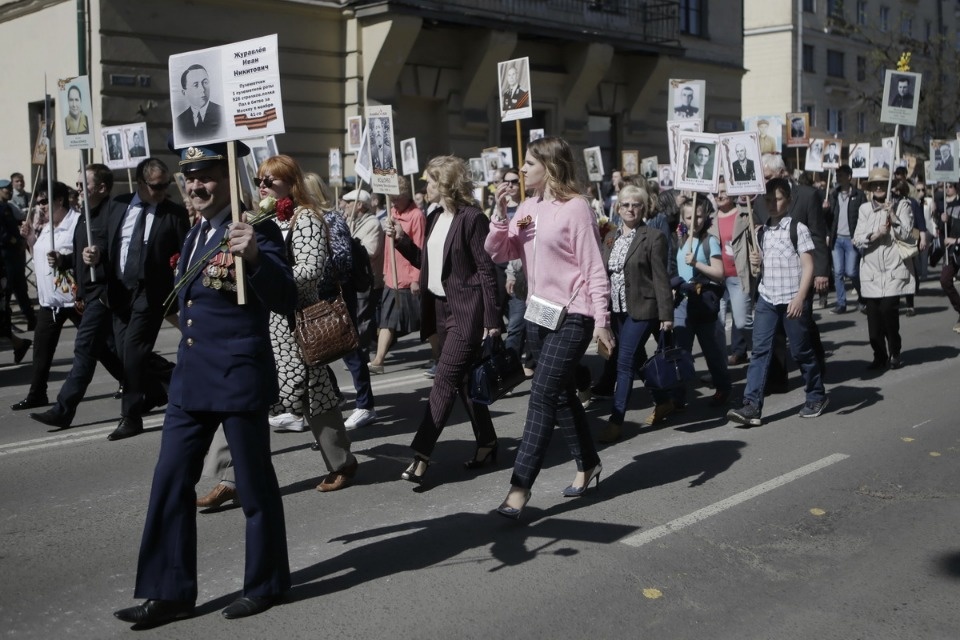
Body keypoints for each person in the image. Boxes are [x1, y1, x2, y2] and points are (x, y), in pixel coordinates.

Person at [112, 141, 295, 627]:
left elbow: (285, 296)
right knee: (170, 482)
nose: (196, 185)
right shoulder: (195, 234)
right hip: (191, 381)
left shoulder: (254, 228)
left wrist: (255, 257)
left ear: (228, 179)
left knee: (254, 489)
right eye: (190, 178)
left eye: (207, 175)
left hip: (238, 376)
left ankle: (266, 583)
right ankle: (167, 591)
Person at [485, 136, 614, 518]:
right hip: (537, 314)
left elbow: (593, 268)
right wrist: (499, 213)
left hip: (573, 315)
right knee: (559, 395)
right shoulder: (527, 207)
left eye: (529, 164)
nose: (521, 170)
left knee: (541, 395)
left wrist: (601, 321)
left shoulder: (576, 209)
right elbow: (501, 250)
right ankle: (588, 463)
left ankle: (519, 488)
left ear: (551, 167)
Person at [389, 156, 500, 482]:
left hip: (466, 314)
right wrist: (401, 241)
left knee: (443, 380)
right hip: (438, 309)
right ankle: (488, 441)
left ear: (447, 184)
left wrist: (492, 320)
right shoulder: (437, 215)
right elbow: (428, 262)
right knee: (464, 381)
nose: (426, 187)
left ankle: (421, 455)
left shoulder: (472, 218)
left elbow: (486, 271)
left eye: (432, 181)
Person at [258, 158, 358, 491]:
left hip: (299, 320)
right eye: (259, 180)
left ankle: (235, 474)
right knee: (309, 394)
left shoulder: (307, 219)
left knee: (295, 395)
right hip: (268, 321)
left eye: (269, 181)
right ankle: (231, 475)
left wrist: (268, 277)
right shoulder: (262, 219)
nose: (262, 186)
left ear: (289, 182)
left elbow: (310, 272)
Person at [98, 158, 190, 441]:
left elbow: (184, 257)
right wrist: (93, 255)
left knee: (135, 351)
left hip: (151, 294)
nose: (162, 190)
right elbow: (106, 241)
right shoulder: (118, 205)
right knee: (123, 352)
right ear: (140, 183)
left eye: (165, 185)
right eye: (156, 186)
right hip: (119, 291)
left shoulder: (173, 213)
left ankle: (131, 416)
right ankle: (158, 388)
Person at [28, 165, 125, 428]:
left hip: (103, 294)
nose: (78, 189)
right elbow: (81, 257)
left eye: (84, 184)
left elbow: (116, 250)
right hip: (86, 293)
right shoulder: (85, 217)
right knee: (111, 349)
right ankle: (153, 386)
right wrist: (64, 259)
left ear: (102, 188)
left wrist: (99, 254)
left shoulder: (112, 213)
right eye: (78, 184)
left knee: (84, 350)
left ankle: (63, 409)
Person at [727, 178, 827, 427]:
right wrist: (756, 261)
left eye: (778, 199)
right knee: (760, 352)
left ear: (789, 201)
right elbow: (762, 266)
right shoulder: (761, 232)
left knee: (801, 351)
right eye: (768, 199)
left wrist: (800, 298)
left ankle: (816, 395)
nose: (772, 204)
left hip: (792, 300)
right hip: (768, 299)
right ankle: (751, 405)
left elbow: (808, 266)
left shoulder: (797, 228)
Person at [596, 184, 673, 444]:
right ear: (618, 208)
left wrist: (666, 315)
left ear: (643, 208)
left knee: (624, 361)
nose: (630, 209)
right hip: (616, 310)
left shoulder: (653, 236)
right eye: (626, 204)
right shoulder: (610, 237)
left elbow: (661, 279)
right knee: (638, 360)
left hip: (643, 309)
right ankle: (663, 401)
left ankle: (616, 421)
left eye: (635, 204)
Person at [647, 199, 731, 425]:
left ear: (706, 217)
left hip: (702, 302)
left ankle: (723, 387)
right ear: (682, 219)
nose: (694, 221)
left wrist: (697, 263)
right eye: (688, 217)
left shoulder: (709, 241)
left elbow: (719, 273)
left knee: (711, 349)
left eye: (699, 216)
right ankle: (678, 397)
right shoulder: (678, 239)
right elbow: (674, 269)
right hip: (683, 302)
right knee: (680, 351)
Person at [9, 182, 82, 411]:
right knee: (41, 351)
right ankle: (37, 394)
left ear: (59, 200)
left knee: (103, 346)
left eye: (43, 201)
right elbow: (40, 257)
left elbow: (80, 257)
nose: (40, 207)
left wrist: (63, 259)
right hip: (50, 302)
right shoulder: (48, 226)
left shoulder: (77, 223)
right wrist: (31, 238)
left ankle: (129, 382)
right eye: (38, 202)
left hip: (74, 299)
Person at [853, 168, 914, 369]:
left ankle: (895, 350)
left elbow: (907, 235)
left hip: (893, 269)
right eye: (875, 184)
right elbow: (857, 239)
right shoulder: (864, 209)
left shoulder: (903, 205)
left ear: (890, 186)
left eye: (883, 183)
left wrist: (893, 216)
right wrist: (875, 234)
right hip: (870, 271)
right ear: (870, 188)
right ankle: (879, 355)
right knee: (874, 323)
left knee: (888, 311)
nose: (879, 187)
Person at [368, 179, 424, 374]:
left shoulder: (416, 216)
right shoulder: (392, 214)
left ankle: (439, 354)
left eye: (397, 198)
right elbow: (387, 249)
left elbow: (420, 247)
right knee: (387, 320)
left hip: (409, 278)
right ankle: (378, 360)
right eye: (391, 198)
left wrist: (417, 277)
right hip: (392, 277)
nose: (393, 202)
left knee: (423, 321)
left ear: (406, 195)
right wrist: (385, 272)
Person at [713, 179, 758, 366]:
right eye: (716, 192)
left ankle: (761, 352)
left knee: (742, 322)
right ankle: (720, 371)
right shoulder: (709, 218)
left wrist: (758, 255)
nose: (720, 195)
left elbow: (757, 241)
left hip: (738, 277)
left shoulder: (745, 215)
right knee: (717, 327)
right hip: (716, 279)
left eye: (723, 191)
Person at [828, 165, 868, 314]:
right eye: (837, 175)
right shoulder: (833, 195)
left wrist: (860, 236)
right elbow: (828, 218)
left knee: (852, 272)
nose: (838, 178)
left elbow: (865, 216)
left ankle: (863, 297)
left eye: (841, 175)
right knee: (838, 272)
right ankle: (841, 303)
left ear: (849, 177)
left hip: (852, 240)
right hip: (836, 239)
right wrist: (826, 209)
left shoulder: (859, 195)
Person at [1, 179, 36, 331]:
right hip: (5, 256)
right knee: (6, 290)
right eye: (6, 189)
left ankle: (31, 319)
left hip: (15, 256)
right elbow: (2, 234)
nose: (9, 191)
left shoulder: (8, 207)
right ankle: (5, 323)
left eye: (10, 188)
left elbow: (20, 219)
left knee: (21, 289)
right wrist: (17, 242)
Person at [175, 64, 223, 140]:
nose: (202, 89)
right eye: (196, 85)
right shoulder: (179, 122)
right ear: (184, 92)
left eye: (205, 82)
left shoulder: (223, 114)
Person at [938, 181, 960, 332]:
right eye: (946, 186)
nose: (947, 188)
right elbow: (942, 231)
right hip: (952, 252)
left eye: (950, 186)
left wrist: (955, 240)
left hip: (957, 245)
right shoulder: (943, 205)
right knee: (945, 280)